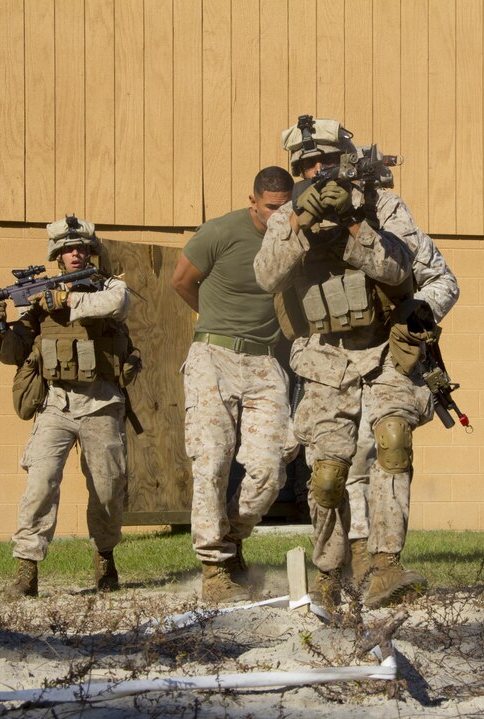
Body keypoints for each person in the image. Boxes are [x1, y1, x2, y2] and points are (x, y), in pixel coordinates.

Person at [254, 116, 429, 611]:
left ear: (344, 161)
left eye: (324, 160)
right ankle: (330, 571)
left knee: (393, 439)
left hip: (382, 353)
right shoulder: (284, 217)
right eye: (305, 164)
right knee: (328, 476)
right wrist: (298, 223)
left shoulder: (383, 206)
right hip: (324, 358)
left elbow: (398, 269)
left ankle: (386, 566)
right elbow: (267, 277)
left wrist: (355, 220)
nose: (315, 170)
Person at [0, 216, 135, 598]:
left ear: (91, 252)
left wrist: (68, 299)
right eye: (68, 249)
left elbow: (118, 302)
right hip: (57, 404)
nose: (76, 253)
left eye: (81, 247)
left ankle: (105, 557)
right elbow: (14, 353)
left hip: (101, 403)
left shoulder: (108, 286)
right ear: (57, 255)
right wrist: (2, 325)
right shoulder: (39, 302)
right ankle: (26, 570)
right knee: (40, 482)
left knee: (107, 489)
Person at [171, 167, 297, 604]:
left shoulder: (297, 236)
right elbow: (181, 281)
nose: (279, 216)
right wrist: (214, 322)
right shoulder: (220, 232)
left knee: (273, 462)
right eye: (271, 209)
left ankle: (232, 537)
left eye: (287, 208)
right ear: (254, 201)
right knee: (212, 457)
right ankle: (214, 567)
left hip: (264, 360)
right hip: (215, 355)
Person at [345, 218, 459, 608]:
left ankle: (385, 563)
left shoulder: (393, 221)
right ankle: (354, 558)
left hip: (391, 361)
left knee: (390, 443)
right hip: (334, 361)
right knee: (344, 463)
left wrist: (413, 316)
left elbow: (446, 282)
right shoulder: (302, 223)